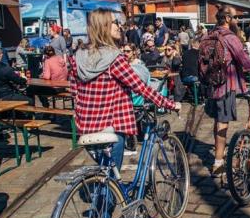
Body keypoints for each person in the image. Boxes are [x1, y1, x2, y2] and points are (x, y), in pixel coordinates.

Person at [70, 9, 180, 170]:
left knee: (104, 175)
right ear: (104, 26)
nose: (119, 26)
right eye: (115, 22)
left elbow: (74, 91)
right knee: (112, 177)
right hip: (111, 127)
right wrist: (169, 104)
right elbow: (140, 87)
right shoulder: (114, 58)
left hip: (87, 127)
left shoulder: (77, 57)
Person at [201, 5, 250, 175]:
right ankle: (218, 163)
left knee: (218, 121)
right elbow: (244, 60)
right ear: (227, 19)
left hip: (211, 85)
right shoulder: (230, 37)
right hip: (225, 85)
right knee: (222, 123)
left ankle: (221, 151)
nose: (238, 20)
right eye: (235, 16)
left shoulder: (208, 35)